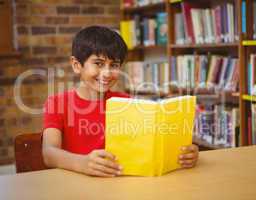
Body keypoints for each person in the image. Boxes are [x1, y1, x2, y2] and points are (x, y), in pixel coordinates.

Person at [42, 26, 199, 177]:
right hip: (77, 186)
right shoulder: (57, 103)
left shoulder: (127, 103)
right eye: (98, 63)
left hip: (120, 183)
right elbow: (49, 153)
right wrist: (82, 163)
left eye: (114, 65)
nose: (107, 73)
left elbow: (145, 147)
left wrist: (185, 153)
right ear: (77, 65)